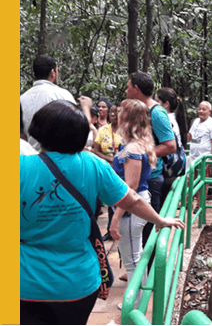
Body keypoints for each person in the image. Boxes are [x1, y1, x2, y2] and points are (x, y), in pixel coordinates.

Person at [20, 100, 184, 326]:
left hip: (25, 283)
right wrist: (159, 219)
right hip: (78, 283)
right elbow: (131, 198)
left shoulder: (19, 167)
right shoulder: (91, 164)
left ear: (39, 130)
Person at [125, 72, 176, 271]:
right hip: (135, 178)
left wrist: (142, 157)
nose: (126, 90)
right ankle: (137, 271)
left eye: (128, 86)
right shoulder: (136, 110)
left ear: (136, 89)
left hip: (151, 180)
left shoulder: (156, 112)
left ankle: (148, 277)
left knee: (148, 232)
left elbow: (170, 145)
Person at [109, 99, 157, 310]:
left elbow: (131, 187)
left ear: (125, 118)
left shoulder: (132, 149)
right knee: (136, 257)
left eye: (120, 112)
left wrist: (116, 217)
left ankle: (134, 306)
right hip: (134, 206)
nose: (116, 115)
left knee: (132, 260)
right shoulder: (138, 145)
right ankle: (138, 301)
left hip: (130, 209)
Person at [20, 55, 76, 151]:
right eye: (57, 71)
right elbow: (76, 128)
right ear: (53, 73)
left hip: (30, 157)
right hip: (58, 158)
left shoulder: (21, 98)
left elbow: (21, 135)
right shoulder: (63, 95)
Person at [94, 102, 122, 241]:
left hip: (122, 171)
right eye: (111, 112)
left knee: (121, 198)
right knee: (110, 200)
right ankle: (110, 231)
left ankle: (120, 228)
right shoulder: (103, 131)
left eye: (116, 112)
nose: (113, 114)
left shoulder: (127, 131)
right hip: (106, 169)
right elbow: (95, 150)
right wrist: (109, 159)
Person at [155, 87, 189, 202]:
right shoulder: (176, 118)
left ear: (166, 104)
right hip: (175, 167)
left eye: (157, 102)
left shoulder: (164, 120)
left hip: (168, 167)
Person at [188, 101, 212, 212]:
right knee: (189, 180)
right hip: (192, 156)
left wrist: (211, 158)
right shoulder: (196, 121)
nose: (201, 111)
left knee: (202, 181)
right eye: (200, 109)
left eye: (204, 109)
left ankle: (199, 205)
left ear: (209, 111)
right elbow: (190, 136)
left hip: (204, 158)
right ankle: (188, 202)